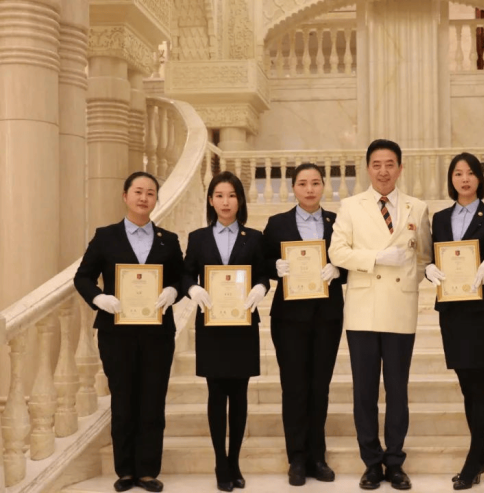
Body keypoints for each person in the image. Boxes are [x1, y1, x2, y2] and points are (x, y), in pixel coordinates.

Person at [328, 139, 432, 491]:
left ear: (400, 168)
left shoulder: (418, 207)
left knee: (398, 389)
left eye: (390, 164)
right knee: (365, 391)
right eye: (377, 164)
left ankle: (395, 462)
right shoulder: (351, 206)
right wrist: (375, 258)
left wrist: (411, 279)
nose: (383, 171)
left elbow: (424, 257)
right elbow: (337, 252)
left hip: (400, 306)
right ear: (367, 168)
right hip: (363, 308)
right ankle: (372, 463)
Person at [74, 171, 184, 493]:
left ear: (155, 199)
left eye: (150, 193)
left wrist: (173, 291)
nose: (143, 198)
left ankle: (147, 471)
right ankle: (124, 470)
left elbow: (181, 278)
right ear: (125, 196)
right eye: (138, 191)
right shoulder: (105, 236)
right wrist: (99, 299)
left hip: (157, 334)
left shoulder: (168, 240)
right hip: (116, 334)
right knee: (122, 400)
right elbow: (83, 277)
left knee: (153, 400)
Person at [182, 171, 270, 492]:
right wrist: (192, 289)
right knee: (216, 394)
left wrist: (261, 288)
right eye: (219, 195)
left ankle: (235, 461)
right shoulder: (198, 238)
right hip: (212, 326)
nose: (225, 202)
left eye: (231, 195)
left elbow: (263, 274)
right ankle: (220, 461)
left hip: (243, 325)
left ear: (240, 200)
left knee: (240, 395)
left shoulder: (254, 237)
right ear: (210, 200)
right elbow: (185, 275)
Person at [425, 153, 484, 490]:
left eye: (470, 173)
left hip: (482, 310)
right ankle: (482, 454)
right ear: (451, 179)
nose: (464, 179)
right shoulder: (441, 218)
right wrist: (429, 269)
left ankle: (475, 458)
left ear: (479, 179)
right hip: (452, 311)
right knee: (465, 382)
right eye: (458, 173)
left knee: (479, 382)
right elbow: (432, 256)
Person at [262, 163, 347, 486]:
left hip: (327, 317)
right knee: (294, 387)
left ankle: (317, 457)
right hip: (289, 319)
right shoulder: (277, 223)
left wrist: (339, 270)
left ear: (323, 186)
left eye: (314, 183)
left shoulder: (338, 223)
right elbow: (261, 262)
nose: (309, 189)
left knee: (319, 387)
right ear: (293, 188)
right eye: (302, 183)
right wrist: (275, 266)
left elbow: (351, 261)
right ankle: (297, 458)